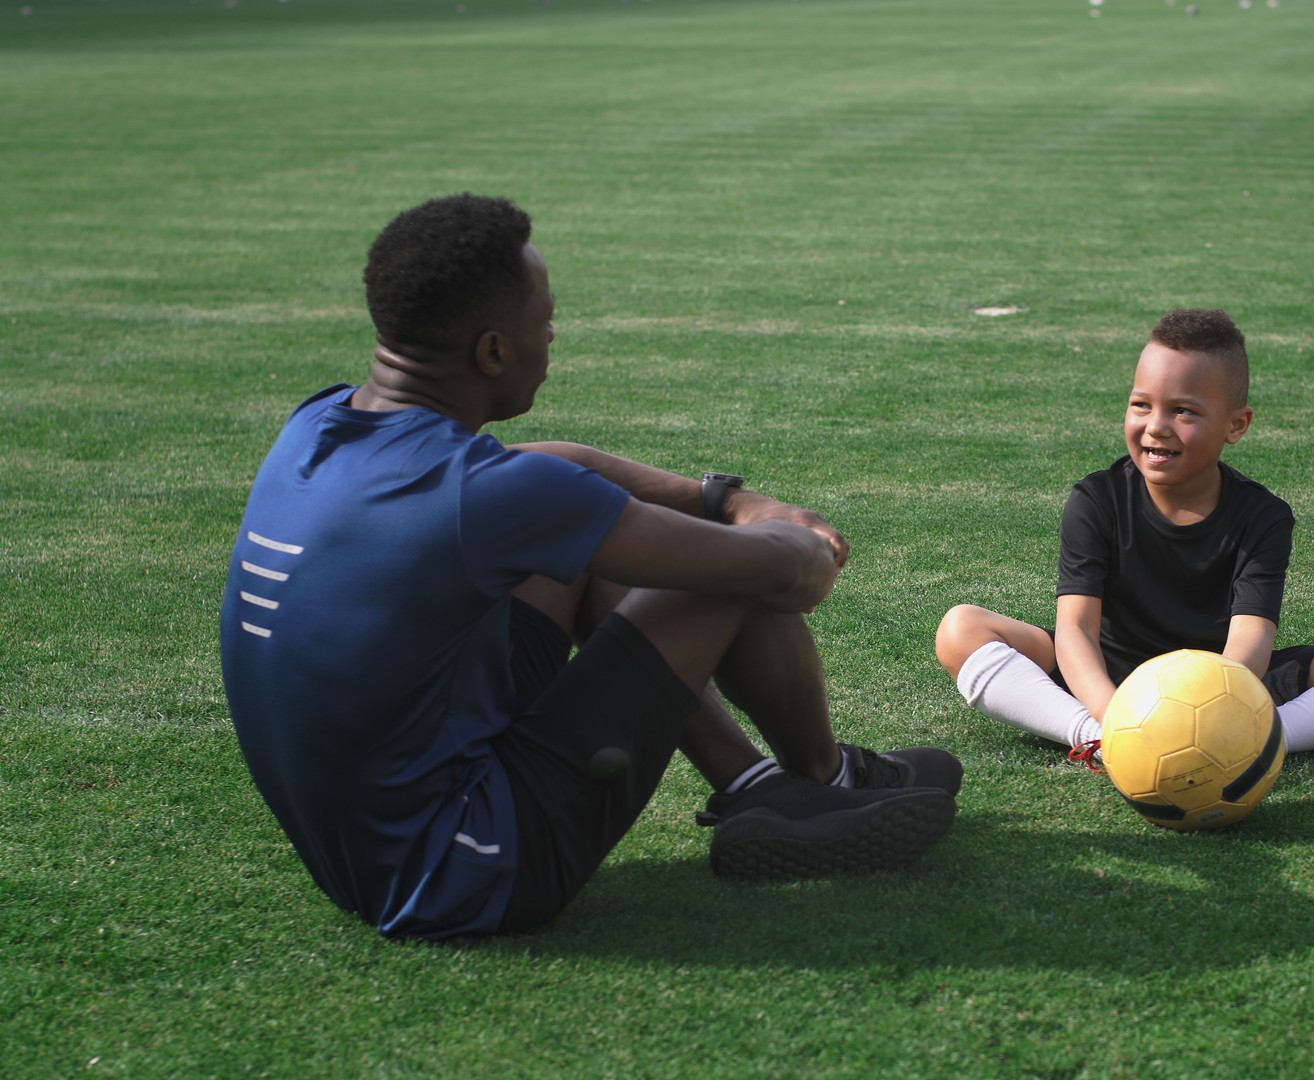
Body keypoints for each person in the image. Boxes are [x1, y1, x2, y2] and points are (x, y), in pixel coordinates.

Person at [219, 194, 960, 940]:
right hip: (473, 869)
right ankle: (823, 779)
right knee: (726, 571)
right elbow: (781, 575)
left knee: (594, 550)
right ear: (493, 352)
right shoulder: (492, 498)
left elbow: (553, 470)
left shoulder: (317, 423)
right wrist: (790, 530)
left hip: (365, 854)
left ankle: (760, 788)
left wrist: (719, 497)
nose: (552, 335)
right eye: (545, 321)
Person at [933, 308, 1314, 762]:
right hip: (1110, 678)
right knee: (960, 629)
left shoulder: (1263, 515)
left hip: (1221, 683)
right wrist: (1119, 717)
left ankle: (1256, 743)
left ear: (1236, 424)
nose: (1156, 426)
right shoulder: (1096, 500)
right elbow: (1076, 631)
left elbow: (1251, 637)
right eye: (1141, 404)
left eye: (1184, 412)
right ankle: (1101, 740)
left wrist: (1214, 710)